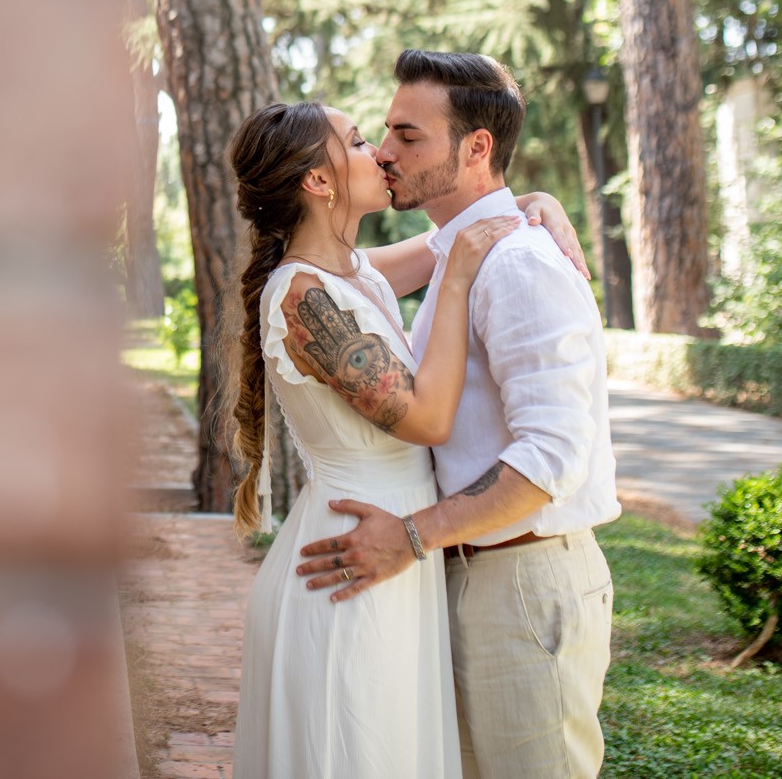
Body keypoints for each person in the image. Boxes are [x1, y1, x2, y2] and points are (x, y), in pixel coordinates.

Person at [227, 97, 587, 779]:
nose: (381, 153)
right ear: (319, 180)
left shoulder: (351, 272)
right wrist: (453, 280)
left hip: (392, 554)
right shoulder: (302, 297)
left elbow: (477, 222)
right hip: (351, 563)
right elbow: (426, 418)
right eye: (360, 141)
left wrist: (540, 200)